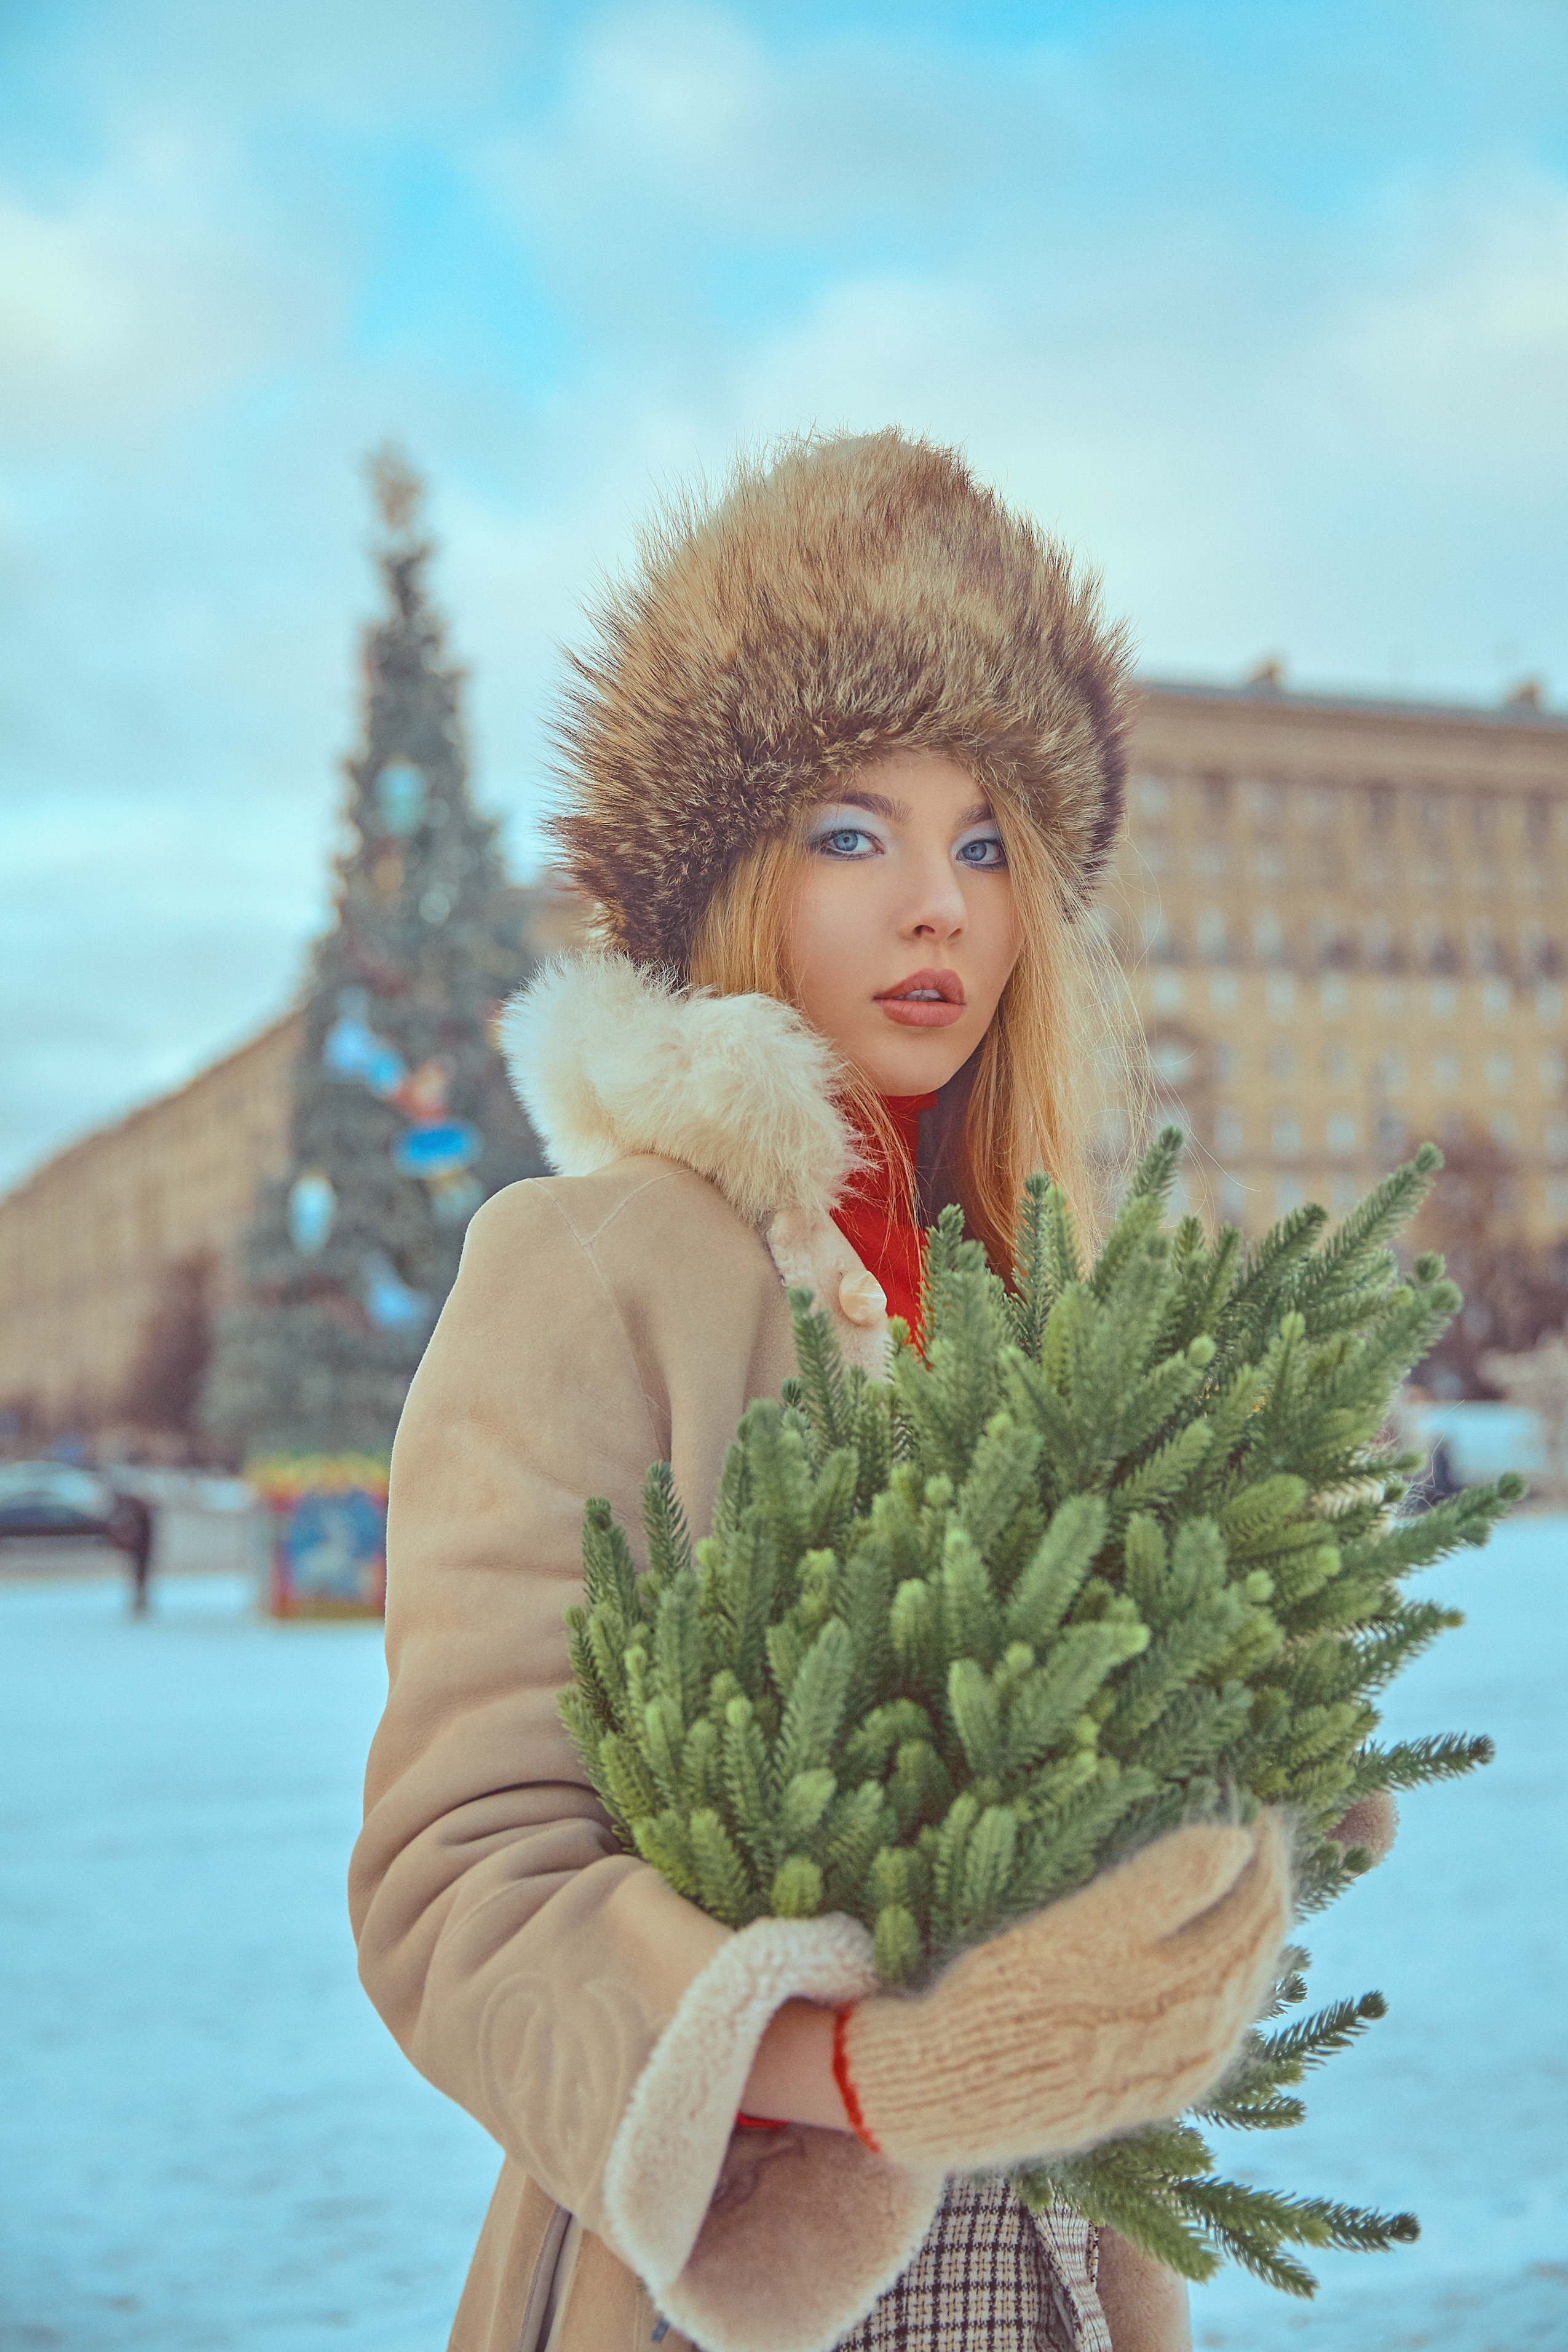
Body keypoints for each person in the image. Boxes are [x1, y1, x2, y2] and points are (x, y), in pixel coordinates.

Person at [349, 432, 1292, 2352]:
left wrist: (1257, 1773)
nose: (939, 905)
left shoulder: (1058, 1308)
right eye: (856, 833)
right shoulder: (592, 1264)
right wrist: (873, 2068)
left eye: (985, 842)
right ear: (729, 874)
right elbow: (461, 1888)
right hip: (728, 2291)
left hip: (1060, 2284)